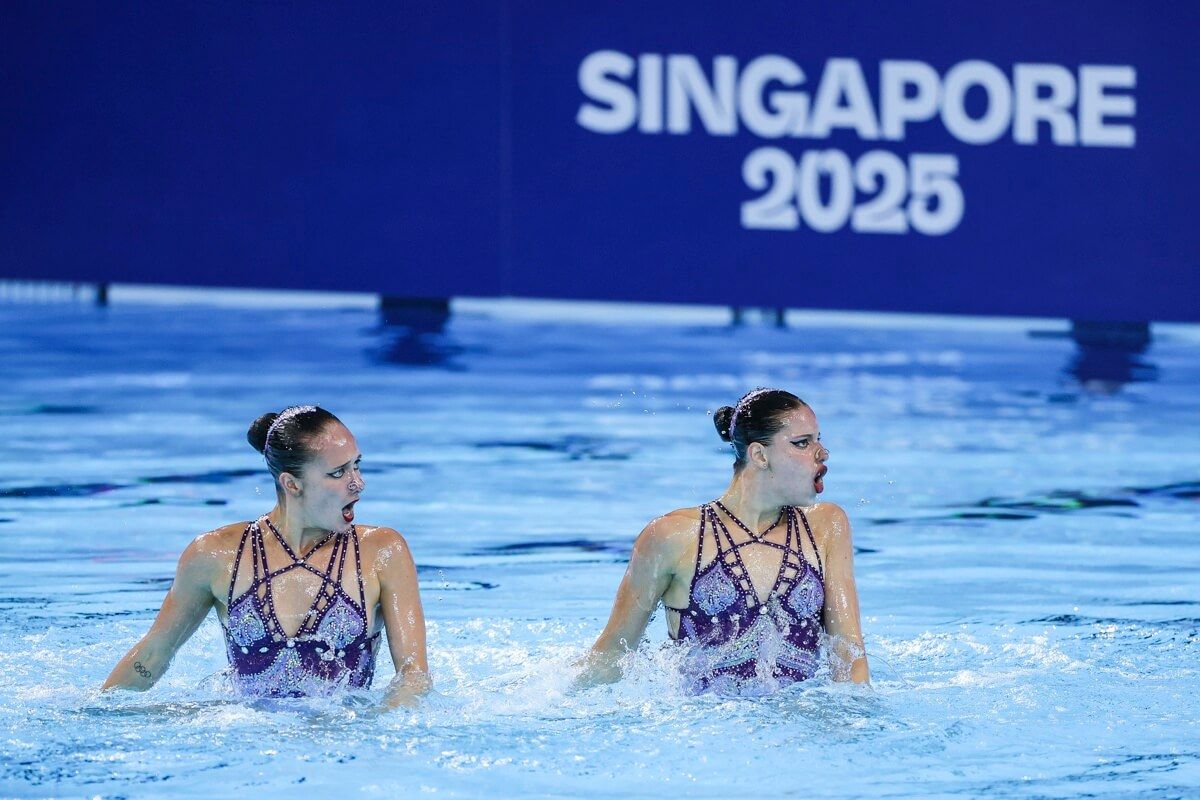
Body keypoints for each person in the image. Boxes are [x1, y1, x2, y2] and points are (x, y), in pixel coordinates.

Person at [103, 406, 429, 706]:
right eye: (338, 472)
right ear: (292, 484)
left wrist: (379, 724)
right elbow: (153, 654)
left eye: (356, 465)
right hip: (245, 737)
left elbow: (413, 675)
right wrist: (98, 713)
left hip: (344, 739)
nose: (358, 483)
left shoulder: (381, 552)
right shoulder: (216, 555)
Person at [578, 388, 869, 694]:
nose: (822, 453)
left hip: (800, 718)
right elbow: (611, 657)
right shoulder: (673, 537)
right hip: (705, 721)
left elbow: (849, 655)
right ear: (759, 455)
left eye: (818, 440)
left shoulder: (826, 527)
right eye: (802, 443)